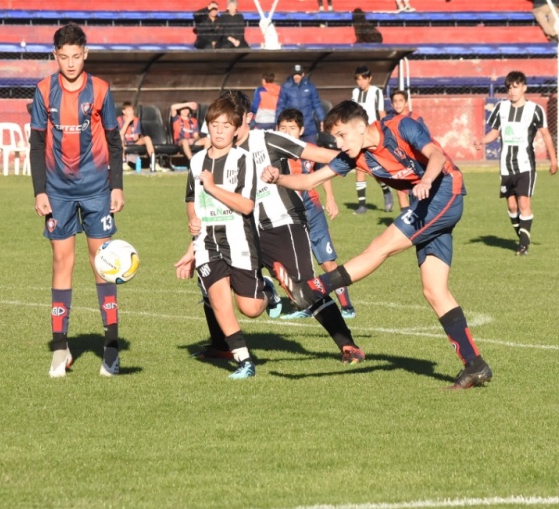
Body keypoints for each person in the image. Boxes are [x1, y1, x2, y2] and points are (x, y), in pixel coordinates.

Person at [261, 100, 493, 390]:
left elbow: (435, 155)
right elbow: (310, 180)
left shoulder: (400, 126)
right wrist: (278, 177)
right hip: (427, 204)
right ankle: (475, 365)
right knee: (434, 290)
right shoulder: (355, 155)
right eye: (335, 138)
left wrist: (426, 181)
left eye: (343, 136)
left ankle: (312, 290)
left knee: (380, 245)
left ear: (361, 127)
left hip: (445, 189)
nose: (339, 143)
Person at [177, 90, 364, 364]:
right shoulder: (216, 156)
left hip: (282, 224)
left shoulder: (268, 140)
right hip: (241, 231)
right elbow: (207, 207)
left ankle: (347, 344)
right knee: (211, 282)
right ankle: (223, 346)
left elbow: (318, 154)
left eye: (233, 122)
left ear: (247, 119)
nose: (227, 128)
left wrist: (360, 156)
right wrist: (193, 247)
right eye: (222, 121)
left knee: (304, 290)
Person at [29, 24, 125, 378]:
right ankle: (59, 349)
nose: (70, 63)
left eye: (76, 56)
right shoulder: (43, 90)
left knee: (103, 263)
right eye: (63, 57)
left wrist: (117, 186)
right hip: (57, 191)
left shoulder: (100, 89)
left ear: (86, 53)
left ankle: (111, 348)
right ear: (55, 56)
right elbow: (37, 144)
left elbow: (114, 140)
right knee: (60, 261)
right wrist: (40, 191)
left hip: (98, 188)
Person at [178, 98, 263, 379]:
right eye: (214, 125)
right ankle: (244, 361)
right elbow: (191, 199)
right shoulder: (196, 161)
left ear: (235, 129)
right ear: (208, 127)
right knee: (218, 300)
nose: (219, 131)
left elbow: (246, 206)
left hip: (239, 240)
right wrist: (193, 219)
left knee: (250, 308)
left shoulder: (243, 160)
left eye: (226, 126)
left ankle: (267, 290)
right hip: (207, 243)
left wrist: (212, 187)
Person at [276, 109, 356, 319]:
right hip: (286, 211)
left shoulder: (309, 150)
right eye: (283, 128)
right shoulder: (272, 152)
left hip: (312, 208)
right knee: (295, 261)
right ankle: (306, 305)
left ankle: (347, 306)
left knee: (326, 259)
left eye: (291, 128)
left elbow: (323, 172)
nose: (287, 132)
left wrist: (330, 198)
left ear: (301, 130)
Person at [476, 71, 558, 257]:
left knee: (523, 202)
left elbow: (545, 135)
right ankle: (522, 237)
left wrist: (553, 160)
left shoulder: (535, 110)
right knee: (512, 207)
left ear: (524, 88)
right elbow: (495, 132)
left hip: (525, 165)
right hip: (506, 166)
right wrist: (482, 141)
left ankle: (523, 245)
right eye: (509, 88)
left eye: (516, 87)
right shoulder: (501, 108)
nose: (512, 91)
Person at [350, 66, 393, 214]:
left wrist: (385, 131)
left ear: (370, 78)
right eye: (358, 79)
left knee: (376, 170)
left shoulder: (376, 92)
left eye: (363, 78)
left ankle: (386, 191)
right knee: (360, 168)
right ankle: (362, 205)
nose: (361, 82)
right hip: (358, 135)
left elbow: (381, 112)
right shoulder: (355, 93)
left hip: (373, 134)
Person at [385, 89, 428, 211]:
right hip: (400, 162)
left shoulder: (416, 119)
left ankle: (422, 222)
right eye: (395, 101)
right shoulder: (390, 121)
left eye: (401, 101)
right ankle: (406, 224)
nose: (398, 104)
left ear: (406, 103)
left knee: (419, 194)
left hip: (417, 163)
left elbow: (426, 139)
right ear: (392, 104)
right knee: (401, 192)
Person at [275, 64, 326, 145]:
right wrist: (277, 123)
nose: (296, 77)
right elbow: (280, 106)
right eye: (295, 74)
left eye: (298, 74)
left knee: (311, 151)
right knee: (291, 150)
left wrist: (322, 120)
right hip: (292, 126)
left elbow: (316, 104)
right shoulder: (286, 87)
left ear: (303, 74)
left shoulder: (310, 86)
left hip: (308, 125)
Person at [118, 102, 165, 173]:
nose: (131, 112)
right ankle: (123, 162)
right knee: (121, 137)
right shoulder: (119, 119)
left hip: (133, 141)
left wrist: (135, 136)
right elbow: (121, 133)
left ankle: (154, 162)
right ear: (124, 111)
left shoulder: (136, 120)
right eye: (129, 110)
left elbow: (136, 137)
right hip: (122, 141)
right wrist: (127, 122)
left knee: (147, 138)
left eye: (132, 110)